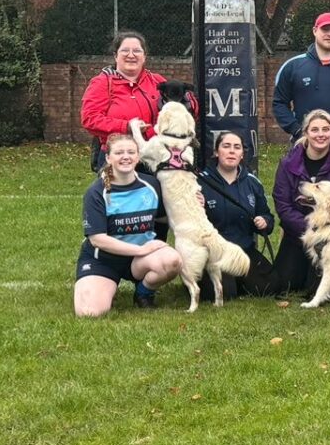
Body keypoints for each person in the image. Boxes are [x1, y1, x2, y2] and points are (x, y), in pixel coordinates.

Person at [74, 133, 182, 316]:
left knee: (172, 260)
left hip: (140, 261)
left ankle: (143, 292)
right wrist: (140, 250)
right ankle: (104, 285)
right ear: (108, 157)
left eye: (131, 152)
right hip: (104, 260)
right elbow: (98, 239)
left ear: (138, 157)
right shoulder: (96, 192)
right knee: (89, 312)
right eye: (119, 152)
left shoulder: (151, 185)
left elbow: (165, 217)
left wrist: (193, 203)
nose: (126, 156)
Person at [272, 109, 330, 295]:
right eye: (315, 130)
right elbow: (283, 206)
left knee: (314, 288)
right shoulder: (288, 163)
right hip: (301, 230)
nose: (321, 134)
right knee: (284, 283)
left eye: (326, 129)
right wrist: (312, 230)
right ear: (306, 132)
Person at [78, 31, 170, 170]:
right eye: (125, 50)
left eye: (137, 51)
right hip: (118, 157)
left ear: (144, 56)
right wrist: (127, 127)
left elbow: (180, 108)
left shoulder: (157, 81)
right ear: (116, 55)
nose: (131, 55)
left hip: (156, 155)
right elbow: (90, 119)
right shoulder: (102, 83)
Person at [198, 131, 273, 299]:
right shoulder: (200, 182)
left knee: (270, 287)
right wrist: (198, 207)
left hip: (244, 250)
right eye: (226, 146)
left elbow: (267, 216)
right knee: (225, 293)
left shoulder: (253, 183)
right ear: (217, 152)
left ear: (241, 155)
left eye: (236, 147)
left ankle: (240, 279)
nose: (232, 151)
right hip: (214, 252)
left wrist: (264, 222)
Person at [273, 13, 330, 140]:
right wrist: (296, 130)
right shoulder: (293, 66)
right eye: (325, 29)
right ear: (315, 31)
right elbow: (279, 103)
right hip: (305, 144)